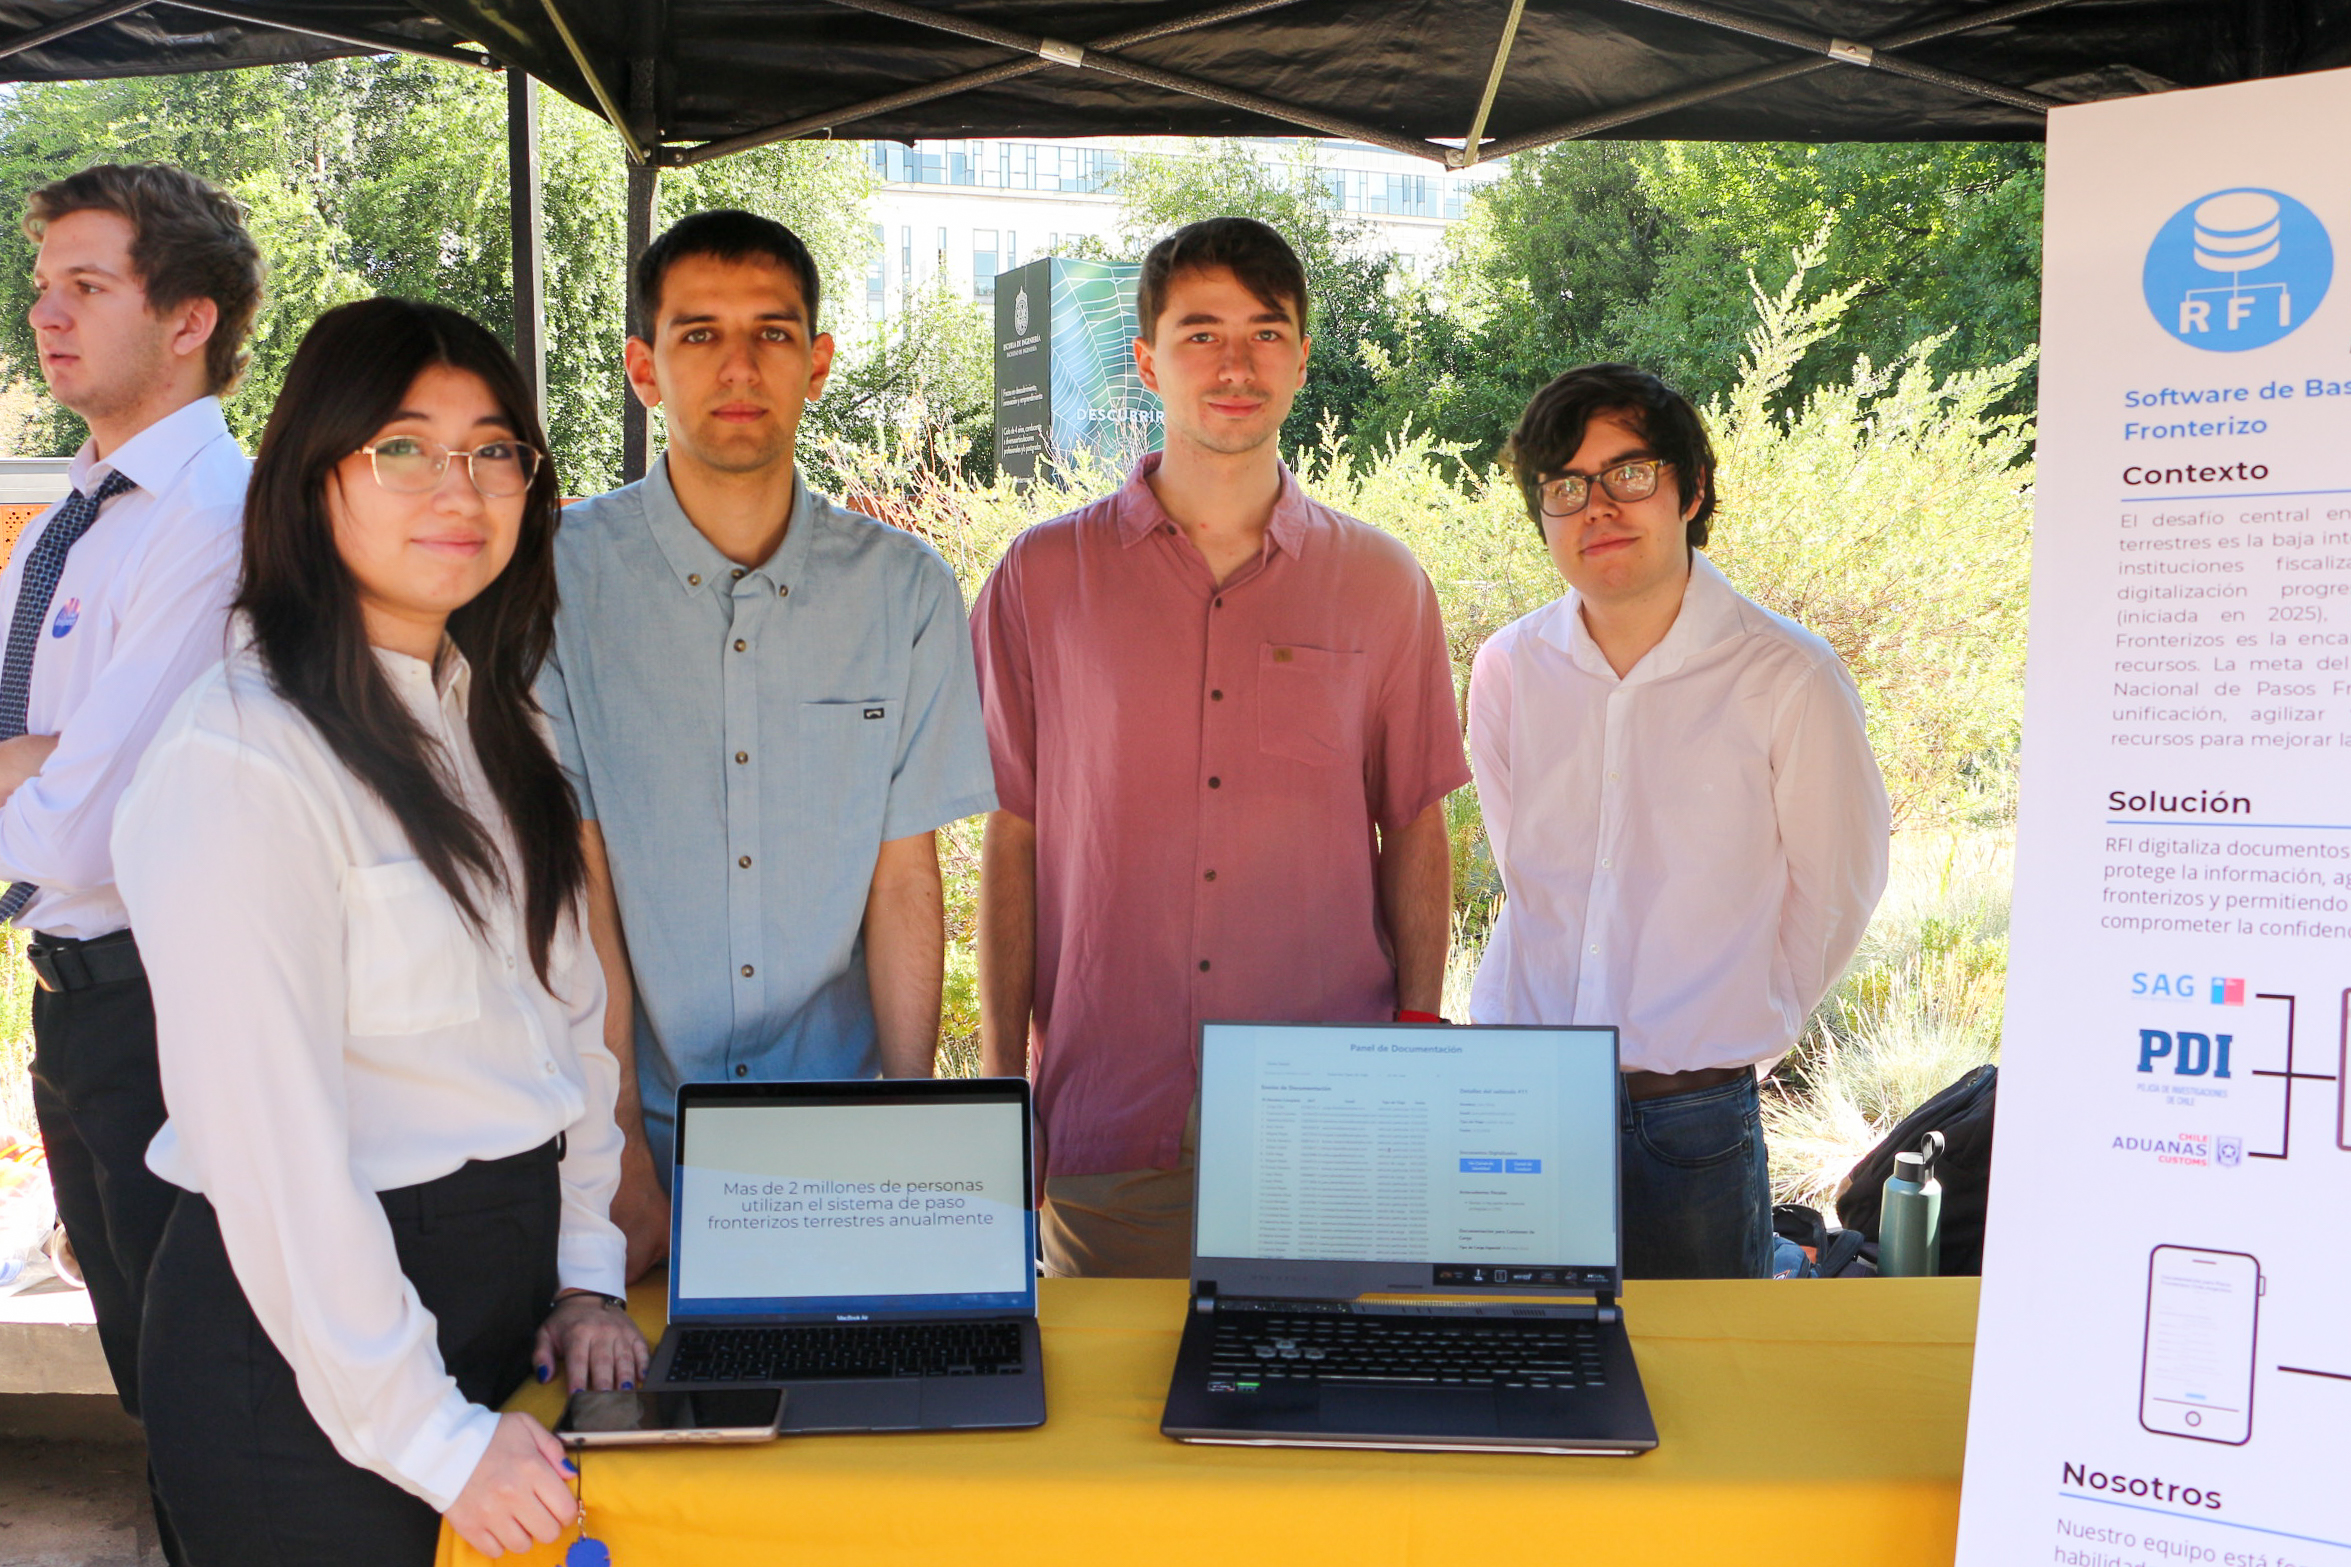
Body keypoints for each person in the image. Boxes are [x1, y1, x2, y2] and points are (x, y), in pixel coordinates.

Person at [113, 298, 646, 1566]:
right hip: (303, 1366)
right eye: (402, 447)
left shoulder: (491, 717)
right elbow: (275, 1153)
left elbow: (567, 1025)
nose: (458, 488)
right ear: (314, 476)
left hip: (498, 1304)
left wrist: (583, 1271)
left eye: (493, 449)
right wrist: (433, 1437)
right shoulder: (243, 755)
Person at [970, 217, 1469, 1279]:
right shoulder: (1039, 579)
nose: (1234, 364)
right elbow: (1011, 837)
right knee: (1106, 1392)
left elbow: (1415, 824)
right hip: (1109, 1121)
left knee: (1327, 1387)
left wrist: (1417, 1042)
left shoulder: (1382, 583)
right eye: (1199, 334)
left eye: (1264, 332)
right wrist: (1001, 1089)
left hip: (1330, 1122)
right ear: (1147, 360)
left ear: (1301, 358)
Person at [541, 209, 996, 1276]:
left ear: (817, 364)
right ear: (644, 369)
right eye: (699, 334)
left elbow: (903, 879)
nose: (738, 366)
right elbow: (578, 881)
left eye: (772, 333)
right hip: (625, 1142)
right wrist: (619, 1155)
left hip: (834, 1143)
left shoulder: (905, 590)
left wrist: (910, 1130)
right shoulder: (557, 578)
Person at [1467, 363, 1890, 1279]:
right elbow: (1522, 868)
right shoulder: (1508, 669)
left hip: (1691, 1117)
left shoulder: (1787, 675)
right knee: (1517, 1345)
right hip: (1520, 1094)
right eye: (1563, 486)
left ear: (1690, 488)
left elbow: (1838, 888)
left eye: (1628, 474)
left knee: (1704, 1360)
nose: (1596, 508)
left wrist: (1733, 1034)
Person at [5, 163, 261, 1558]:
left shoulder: (214, 518)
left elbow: (93, 817)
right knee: (150, 1393)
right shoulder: (71, 520)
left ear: (187, 319)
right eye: (45, 285)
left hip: (172, 1007)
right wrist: (51, 753)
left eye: (87, 286)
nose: (45, 313)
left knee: (210, 1405)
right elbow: (57, 777)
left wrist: (53, 761)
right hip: (74, 1002)